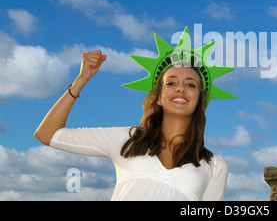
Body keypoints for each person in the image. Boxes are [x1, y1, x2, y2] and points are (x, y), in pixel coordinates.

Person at [35, 28, 235, 201]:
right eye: (171, 83)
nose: (180, 89)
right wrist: (82, 79)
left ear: (200, 99)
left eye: (190, 85)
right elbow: (48, 134)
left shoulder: (215, 166)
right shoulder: (126, 140)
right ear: (158, 97)